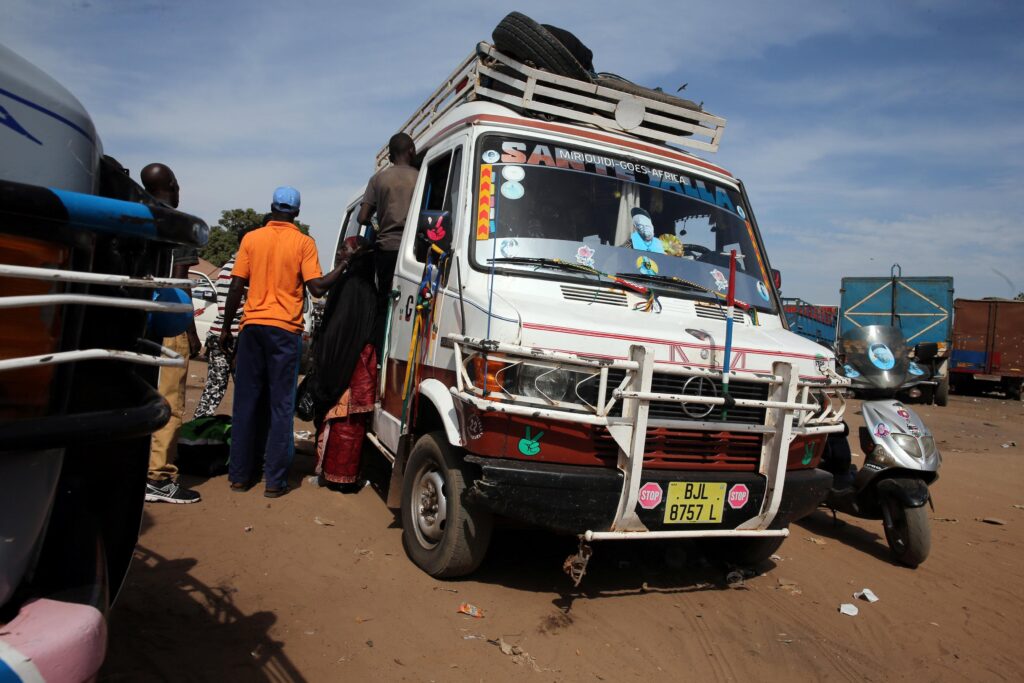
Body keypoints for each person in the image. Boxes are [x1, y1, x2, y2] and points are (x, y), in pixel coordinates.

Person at [219, 187, 347, 497]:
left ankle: (239, 476)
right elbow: (316, 289)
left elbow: (236, 286)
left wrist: (227, 328)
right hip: (285, 332)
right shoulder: (304, 243)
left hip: (252, 329)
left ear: (272, 207)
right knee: (280, 407)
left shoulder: (252, 239)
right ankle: (274, 482)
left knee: (246, 403)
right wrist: (344, 265)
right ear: (297, 213)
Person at [142, 162, 202, 504]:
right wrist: (190, 332)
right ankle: (159, 476)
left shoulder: (133, 215)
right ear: (173, 185)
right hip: (166, 325)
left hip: (135, 322)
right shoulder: (176, 225)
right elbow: (181, 283)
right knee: (168, 402)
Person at [309, 237, 378, 491]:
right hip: (354, 364)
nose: (339, 252)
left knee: (344, 423)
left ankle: (337, 476)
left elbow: (340, 331)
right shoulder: (361, 285)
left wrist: (329, 366)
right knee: (345, 422)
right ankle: (338, 476)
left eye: (345, 249)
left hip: (349, 365)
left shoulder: (353, 286)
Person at [192, 221, 260, 418]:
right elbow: (230, 308)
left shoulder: (228, 267)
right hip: (233, 336)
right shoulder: (239, 269)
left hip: (220, 334)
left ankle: (199, 428)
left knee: (215, 387)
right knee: (244, 390)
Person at [357, 133, 418, 310]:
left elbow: (362, 217)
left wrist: (377, 224)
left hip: (386, 249)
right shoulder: (420, 176)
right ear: (412, 151)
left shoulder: (378, 179)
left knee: (384, 304)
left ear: (390, 156)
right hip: (413, 250)